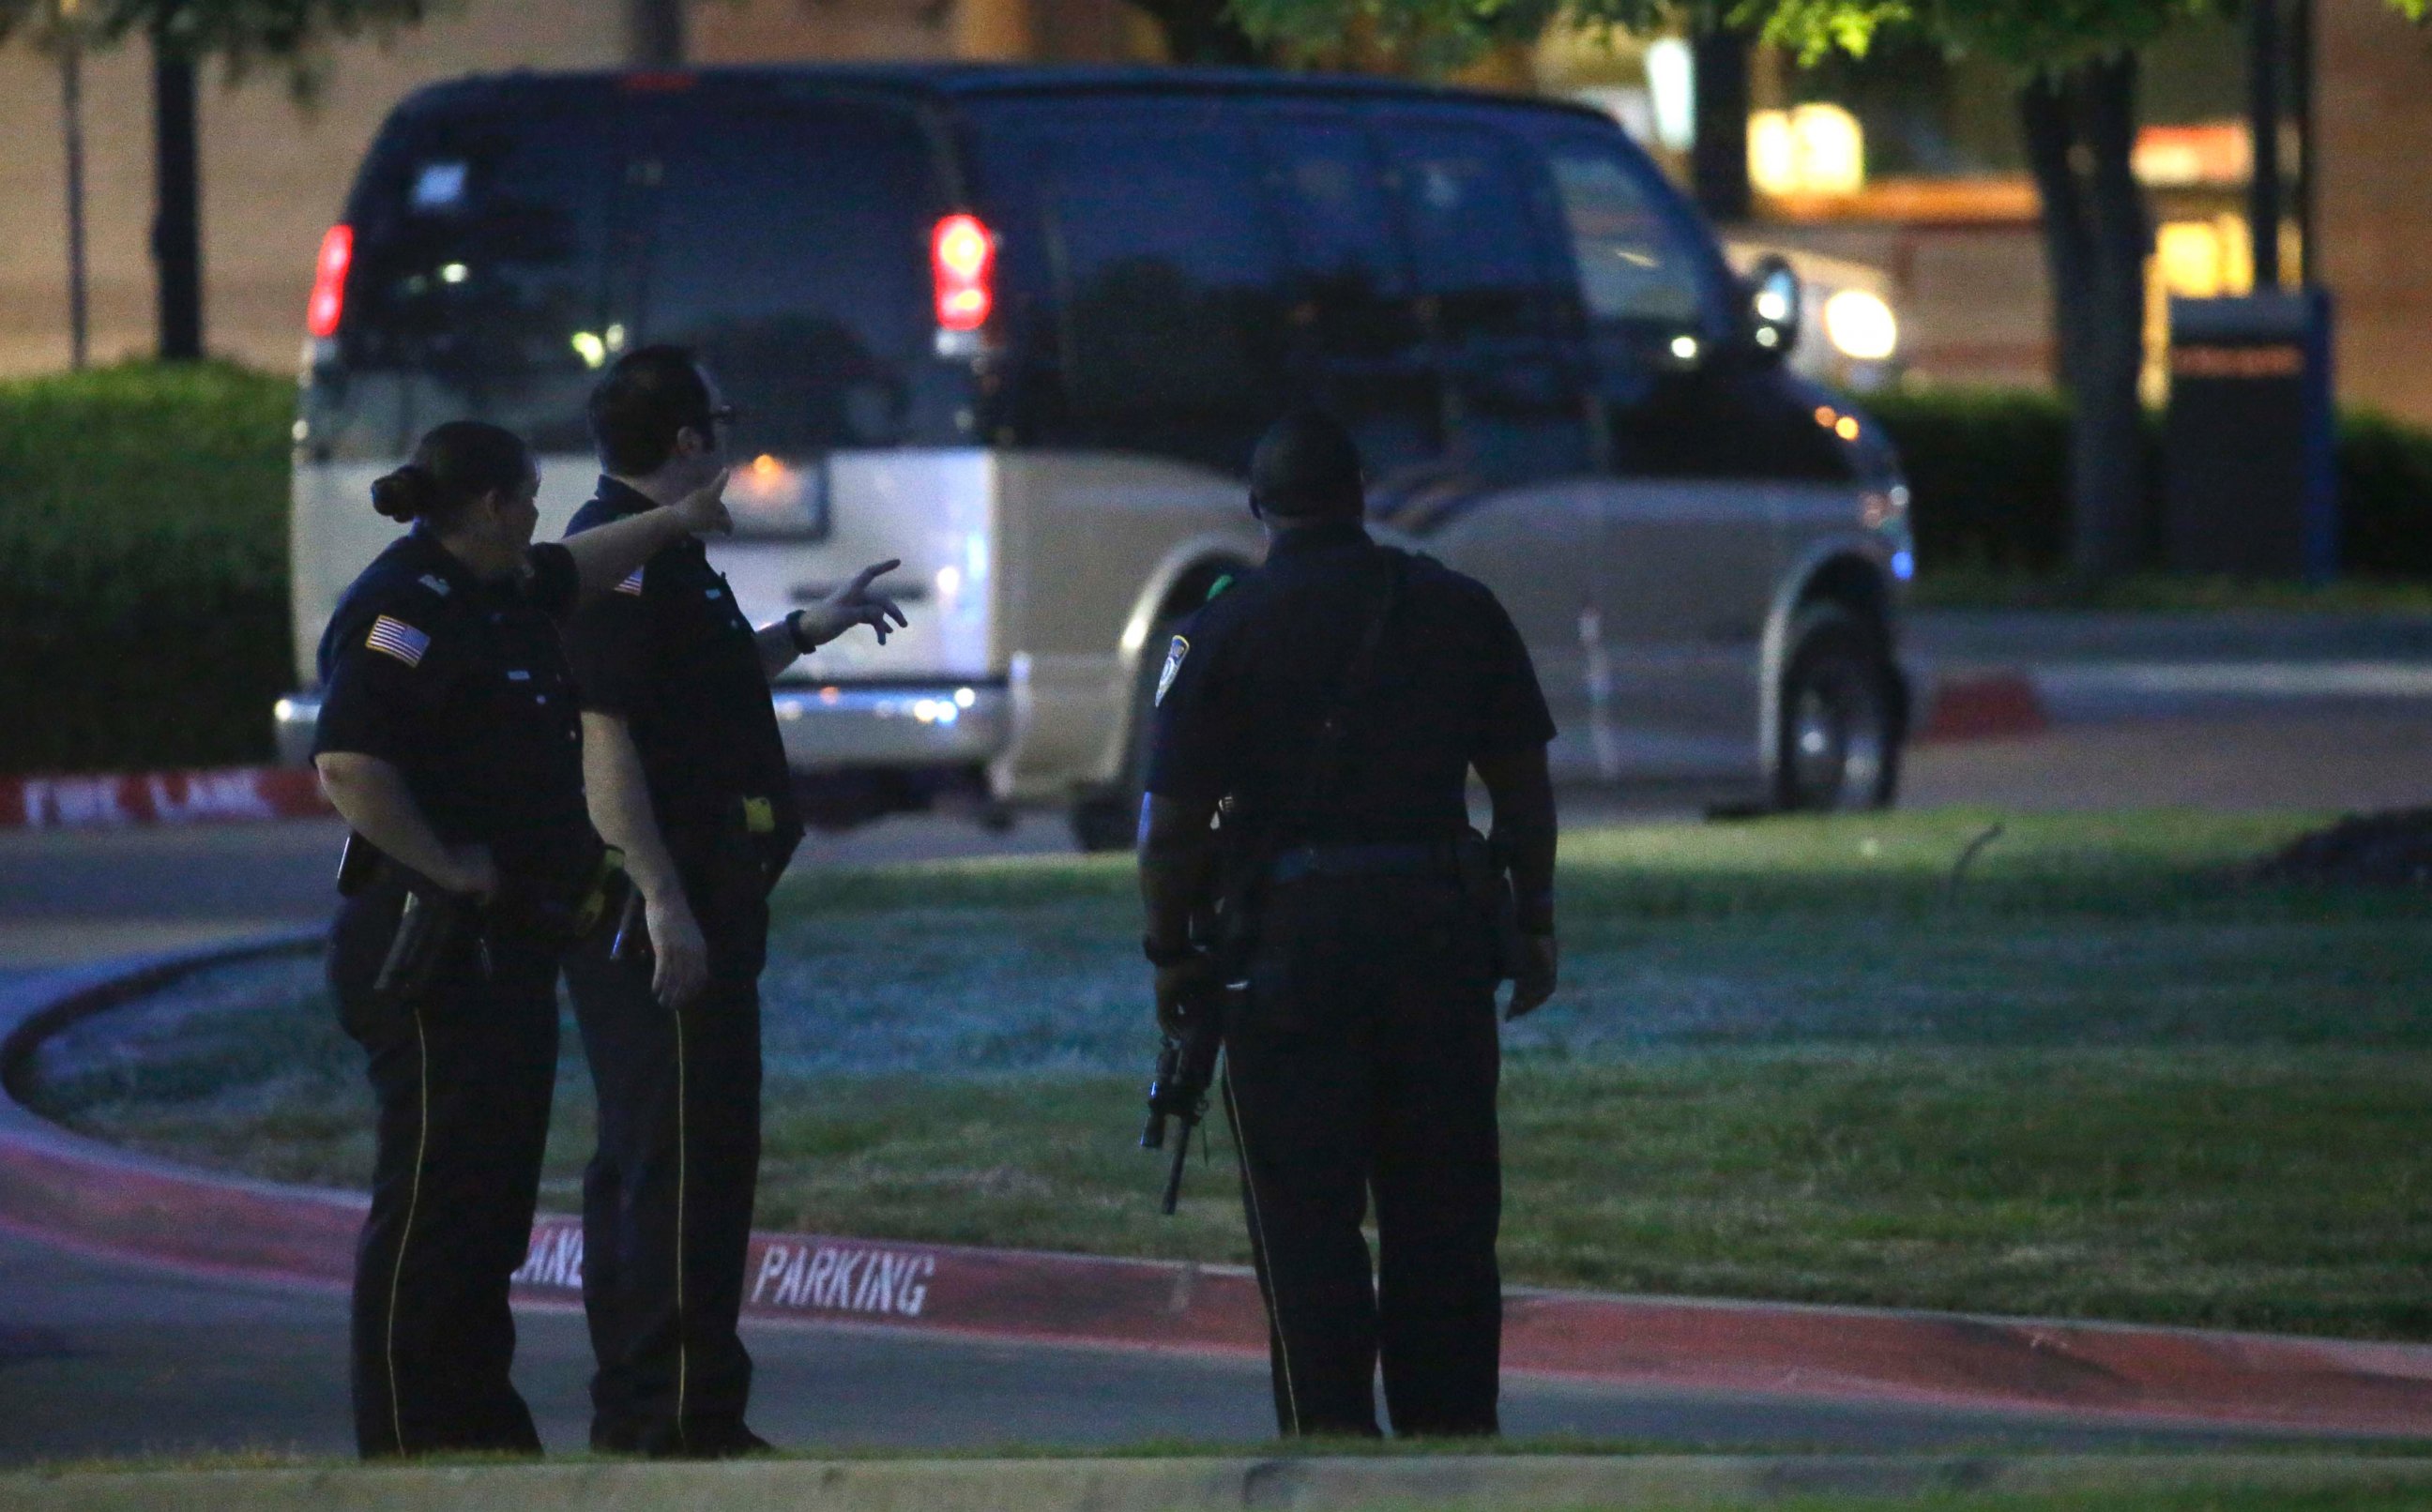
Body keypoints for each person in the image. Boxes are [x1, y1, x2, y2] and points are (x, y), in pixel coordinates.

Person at [313, 418, 733, 1459]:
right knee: (435, 1197)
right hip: (429, 946)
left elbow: (576, 567)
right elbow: (350, 765)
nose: (541, 516)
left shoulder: (497, 590)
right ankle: (410, 1432)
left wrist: (676, 520)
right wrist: (448, 863)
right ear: (495, 505)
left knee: (491, 1201)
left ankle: (474, 1420)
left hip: (504, 948)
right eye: (531, 500)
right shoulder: (404, 606)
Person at [1137, 410, 1560, 1439]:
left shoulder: (1219, 629)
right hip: (1437, 942)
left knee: (1306, 1222)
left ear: (1258, 506)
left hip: (1285, 957)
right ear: (1363, 490)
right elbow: (1523, 791)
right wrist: (1533, 922)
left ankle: (1331, 1450)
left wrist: (1172, 952)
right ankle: (1452, 1444)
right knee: (1446, 1216)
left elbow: (1169, 829)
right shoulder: (1458, 609)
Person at [557, 345, 906, 1457]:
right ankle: (670, 1416)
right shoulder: (621, 559)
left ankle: (673, 1404)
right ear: (689, 442)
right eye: (725, 416)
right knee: (676, 1157)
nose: (737, 435)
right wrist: (662, 898)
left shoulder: (664, 558)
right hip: (667, 909)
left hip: (707, 896)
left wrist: (811, 629)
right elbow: (604, 739)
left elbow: (694, 689)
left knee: (683, 1150)